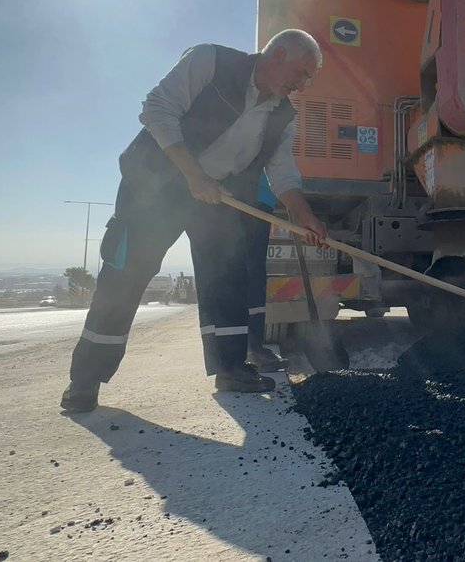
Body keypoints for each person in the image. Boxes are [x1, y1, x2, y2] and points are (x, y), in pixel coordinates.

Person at [60, 29, 327, 413]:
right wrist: (193, 175)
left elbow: (283, 172)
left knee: (228, 278)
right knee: (126, 275)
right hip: (157, 187)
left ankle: (230, 368)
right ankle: (85, 379)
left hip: (216, 195)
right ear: (279, 55)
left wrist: (306, 217)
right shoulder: (210, 61)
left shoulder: (284, 115)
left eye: (308, 79)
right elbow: (157, 109)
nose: (303, 85)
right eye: (301, 73)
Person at [244, 174, 288, 372]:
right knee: (250, 276)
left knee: (255, 276)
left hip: (261, 201)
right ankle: (250, 350)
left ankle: (253, 348)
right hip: (249, 200)